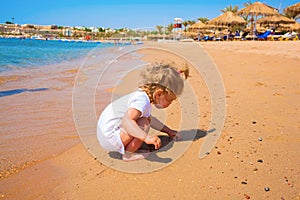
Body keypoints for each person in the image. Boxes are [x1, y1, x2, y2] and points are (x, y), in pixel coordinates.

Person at [97, 62, 189, 161]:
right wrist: (146, 138)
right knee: (144, 123)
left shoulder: (142, 95)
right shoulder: (142, 100)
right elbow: (127, 121)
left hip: (106, 137)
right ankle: (128, 154)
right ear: (159, 94)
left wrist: (168, 131)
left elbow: (152, 120)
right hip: (110, 138)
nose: (170, 103)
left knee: (146, 120)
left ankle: (128, 146)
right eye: (170, 100)